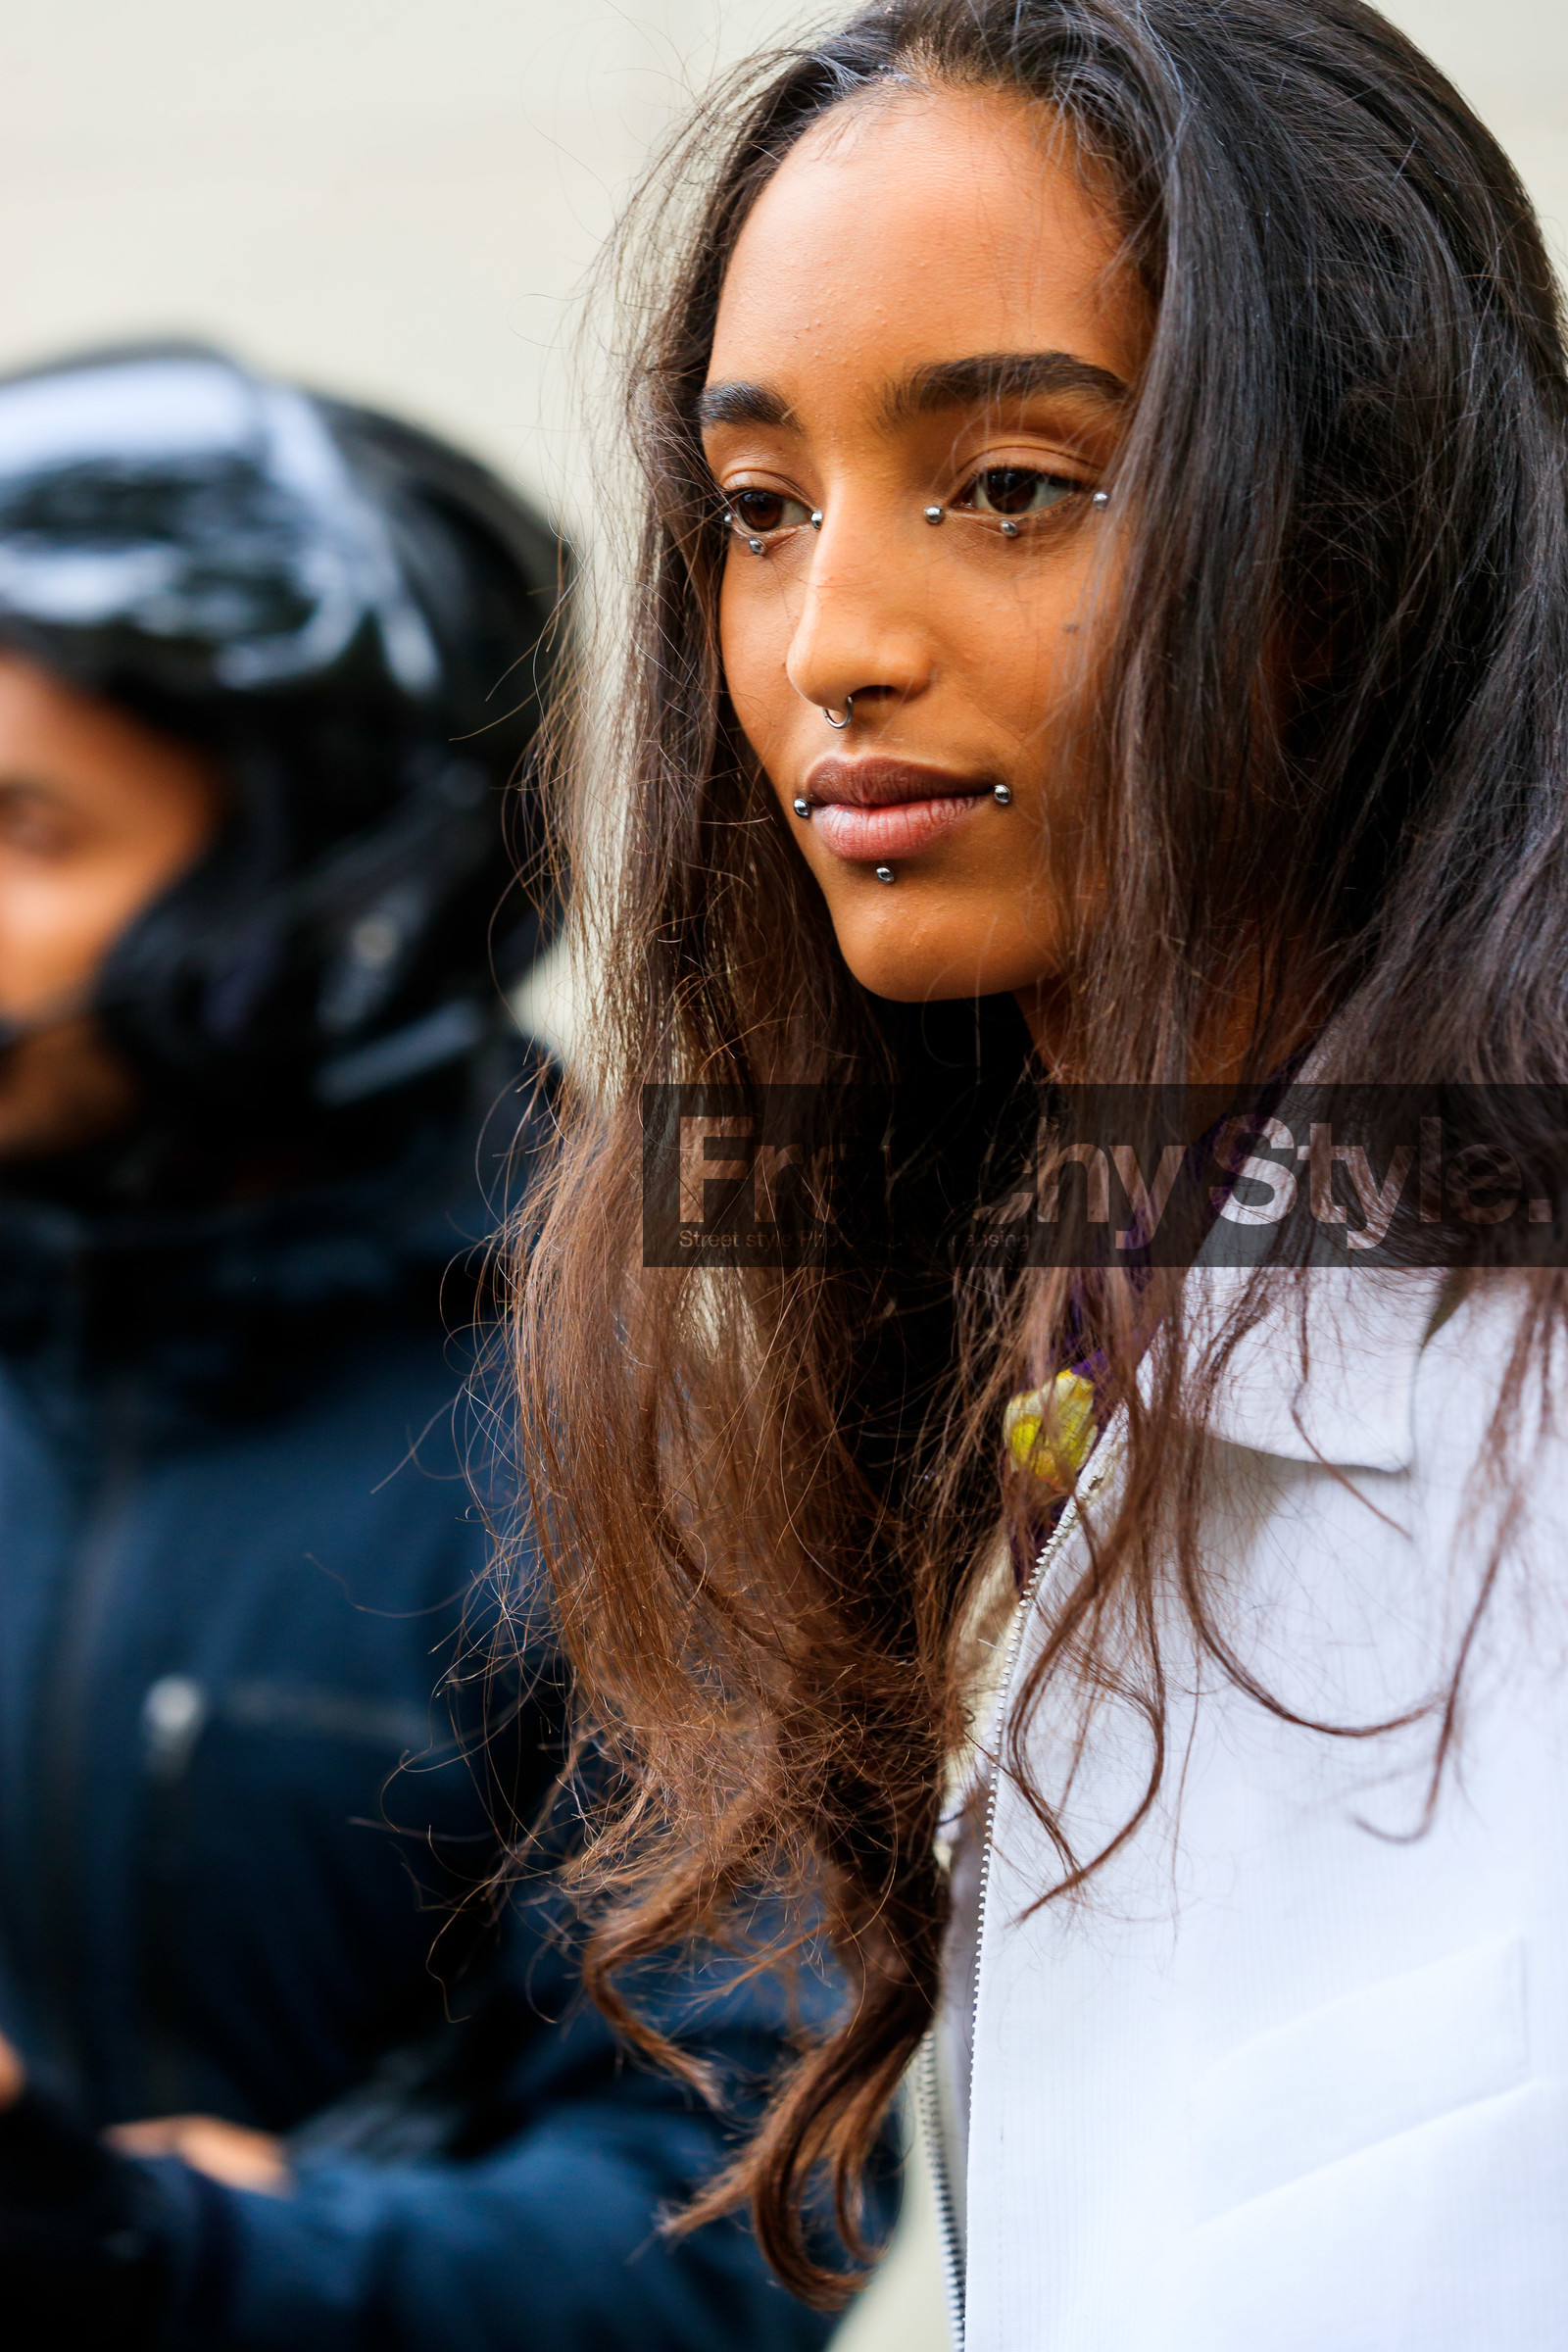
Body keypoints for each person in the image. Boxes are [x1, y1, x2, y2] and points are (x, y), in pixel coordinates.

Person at [508, 2, 1568, 2345]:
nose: (827, 648)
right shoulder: (1042, 1338)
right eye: (756, 511)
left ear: (1355, 537)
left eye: (1010, 483)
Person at [0, 342, 867, 2349]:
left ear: (309, 914)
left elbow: (741, 2221)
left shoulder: (619, 1474)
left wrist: (168, 2255)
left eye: (32, 833)